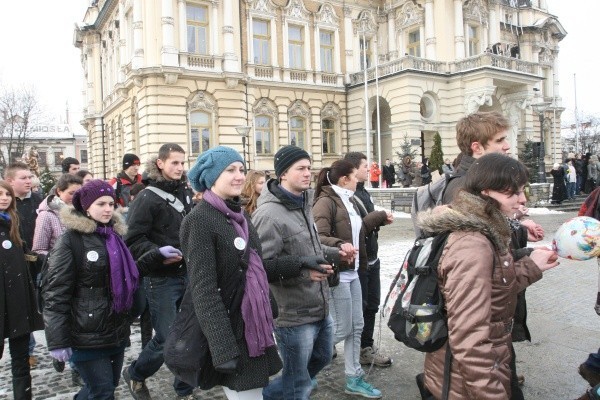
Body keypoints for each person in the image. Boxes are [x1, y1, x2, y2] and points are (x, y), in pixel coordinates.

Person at [417, 153, 559, 399]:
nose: (522, 199)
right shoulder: (472, 243)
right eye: (511, 193)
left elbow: (489, 289)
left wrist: (529, 267)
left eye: (522, 190)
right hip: (463, 383)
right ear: (485, 193)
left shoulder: (486, 230)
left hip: (478, 370)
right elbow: (470, 338)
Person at [182, 146, 282, 398]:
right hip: (231, 332)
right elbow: (204, 290)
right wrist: (223, 348)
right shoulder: (200, 220)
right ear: (211, 177)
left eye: (241, 169)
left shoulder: (240, 215)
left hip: (252, 324)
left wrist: (303, 264)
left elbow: (256, 265)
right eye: (230, 170)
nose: (239, 175)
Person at [252, 145, 347, 400]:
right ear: (283, 173)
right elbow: (261, 268)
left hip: (320, 305)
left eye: (309, 167)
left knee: (322, 358)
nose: (308, 173)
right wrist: (304, 274)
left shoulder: (304, 203)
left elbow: (308, 249)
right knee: (298, 385)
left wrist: (337, 252)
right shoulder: (269, 215)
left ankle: (269, 395)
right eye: (301, 169)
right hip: (293, 314)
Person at [43, 179, 139, 399]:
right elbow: (56, 292)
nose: (108, 209)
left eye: (111, 204)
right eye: (101, 204)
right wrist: (57, 340)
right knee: (103, 391)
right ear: (86, 207)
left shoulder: (115, 236)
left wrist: (156, 256)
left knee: (105, 388)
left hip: (115, 328)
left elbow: (128, 274)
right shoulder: (70, 241)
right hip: (85, 332)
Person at [312, 159, 391, 399]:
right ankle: (303, 365)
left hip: (354, 271)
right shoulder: (325, 202)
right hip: (337, 274)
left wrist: (377, 218)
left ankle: (353, 377)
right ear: (344, 179)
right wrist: (339, 245)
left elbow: (357, 230)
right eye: (356, 176)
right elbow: (318, 236)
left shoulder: (351, 200)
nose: (359, 179)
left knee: (356, 327)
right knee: (341, 328)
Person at [122, 143, 194, 400]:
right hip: (160, 279)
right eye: (174, 162)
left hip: (187, 273)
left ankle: (184, 390)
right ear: (161, 163)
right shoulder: (146, 197)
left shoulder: (186, 191)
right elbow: (133, 240)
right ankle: (136, 373)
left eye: (182, 163)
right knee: (166, 338)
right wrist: (158, 252)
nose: (180, 168)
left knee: (188, 333)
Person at [344, 152, 394, 367]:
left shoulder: (364, 192)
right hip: (359, 261)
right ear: (354, 169)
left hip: (372, 257)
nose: (370, 169)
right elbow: (356, 228)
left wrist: (380, 220)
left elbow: (367, 225)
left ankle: (367, 345)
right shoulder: (347, 195)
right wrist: (379, 216)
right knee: (361, 307)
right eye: (365, 166)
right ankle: (359, 349)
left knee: (372, 304)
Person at [0, 180, 44, 400]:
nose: (4, 198)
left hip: (17, 299)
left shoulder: (12, 222)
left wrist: (44, 261)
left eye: (7, 194)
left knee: (20, 357)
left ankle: (23, 396)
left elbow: (27, 255)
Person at [32, 174, 83, 255]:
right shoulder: (46, 215)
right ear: (59, 191)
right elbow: (39, 250)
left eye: (79, 194)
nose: (75, 197)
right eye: (71, 193)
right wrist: (59, 261)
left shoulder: (83, 212)